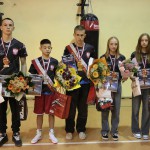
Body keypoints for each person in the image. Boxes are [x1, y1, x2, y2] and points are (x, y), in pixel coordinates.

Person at [63, 25, 96, 140]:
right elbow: (64, 65)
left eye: (82, 35)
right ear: (74, 35)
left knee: (83, 108)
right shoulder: (68, 48)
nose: (80, 37)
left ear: (85, 35)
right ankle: (69, 130)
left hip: (85, 83)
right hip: (72, 84)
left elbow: (94, 66)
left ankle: (81, 129)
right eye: (77, 35)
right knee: (70, 109)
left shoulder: (90, 48)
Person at [0, 18, 27, 147]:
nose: (8, 27)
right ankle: (2, 134)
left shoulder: (19, 45)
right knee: (1, 109)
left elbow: (24, 63)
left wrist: (23, 81)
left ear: (13, 28)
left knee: (16, 109)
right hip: (0, 82)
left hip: (15, 82)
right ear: (1, 27)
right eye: (5, 25)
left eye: (10, 25)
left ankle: (16, 133)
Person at [29, 39, 58, 144]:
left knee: (51, 113)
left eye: (49, 47)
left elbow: (58, 76)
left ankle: (51, 132)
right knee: (39, 113)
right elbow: (31, 77)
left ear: (51, 48)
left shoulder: (55, 62)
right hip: (39, 92)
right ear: (40, 48)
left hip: (50, 92)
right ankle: (38, 133)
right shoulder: (35, 62)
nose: (47, 49)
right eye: (45, 47)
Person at [100, 37, 126, 141]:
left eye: (115, 44)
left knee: (116, 110)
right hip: (106, 87)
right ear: (108, 45)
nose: (113, 46)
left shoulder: (122, 58)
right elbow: (99, 73)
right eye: (111, 44)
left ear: (117, 45)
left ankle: (114, 131)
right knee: (105, 108)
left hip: (117, 86)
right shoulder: (103, 58)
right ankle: (105, 131)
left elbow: (125, 73)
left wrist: (125, 76)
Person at [130, 33, 150, 140]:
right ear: (139, 42)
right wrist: (131, 76)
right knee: (135, 109)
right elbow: (130, 71)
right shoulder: (134, 55)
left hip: (148, 88)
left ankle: (145, 131)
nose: (144, 42)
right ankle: (135, 130)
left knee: (147, 109)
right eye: (142, 40)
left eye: (146, 40)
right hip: (137, 86)